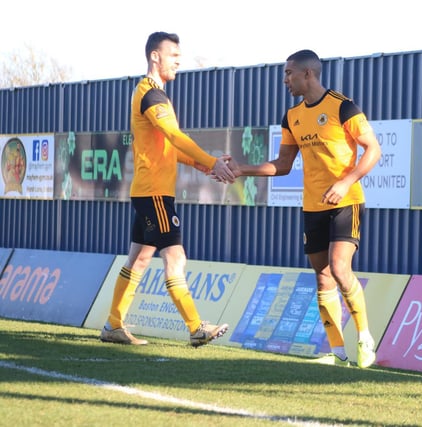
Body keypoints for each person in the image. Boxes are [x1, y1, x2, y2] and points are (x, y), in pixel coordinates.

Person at [224, 49, 381, 368]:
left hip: (346, 201)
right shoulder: (291, 116)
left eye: (288, 73)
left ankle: (365, 337)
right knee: (322, 278)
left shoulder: (343, 106)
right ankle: (337, 352)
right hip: (313, 206)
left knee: (339, 269)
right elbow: (282, 165)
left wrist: (345, 181)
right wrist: (243, 169)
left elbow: (373, 149)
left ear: (308, 74)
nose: (285, 80)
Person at [100, 31, 235, 347]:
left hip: (148, 190)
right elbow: (175, 137)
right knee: (176, 257)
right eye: (173, 55)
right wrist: (211, 163)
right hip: (155, 194)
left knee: (138, 259)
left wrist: (207, 165)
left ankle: (113, 325)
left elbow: (170, 148)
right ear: (154, 56)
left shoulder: (153, 94)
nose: (178, 61)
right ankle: (196, 327)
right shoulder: (151, 95)